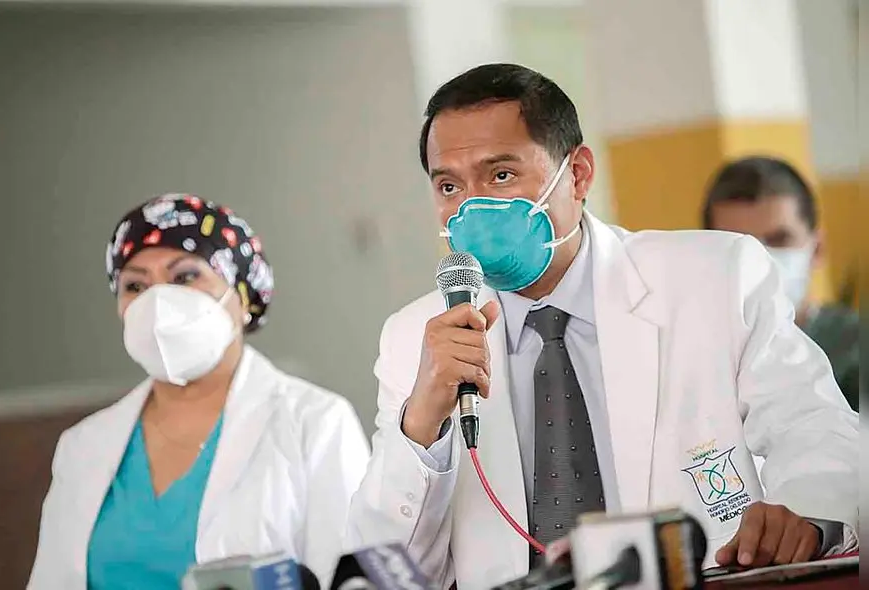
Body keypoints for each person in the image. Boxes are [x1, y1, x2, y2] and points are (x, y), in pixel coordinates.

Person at [346, 64, 857, 590]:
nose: (473, 207)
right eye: (450, 186)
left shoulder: (713, 278)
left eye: (501, 175)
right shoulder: (417, 340)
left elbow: (813, 424)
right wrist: (422, 425)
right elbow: (387, 567)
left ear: (579, 173)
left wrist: (807, 516)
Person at [28, 194, 370, 590]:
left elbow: (352, 578)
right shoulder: (83, 446)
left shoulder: (316, 422)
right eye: (135, 285)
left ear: (242, 297)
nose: (157, 303)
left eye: (185, 277)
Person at [703, 156, 859, 411]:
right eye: (738, 243)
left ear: (817, 248)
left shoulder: (855, 349)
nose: (760, 259)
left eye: (779, 239)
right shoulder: (696, 357)